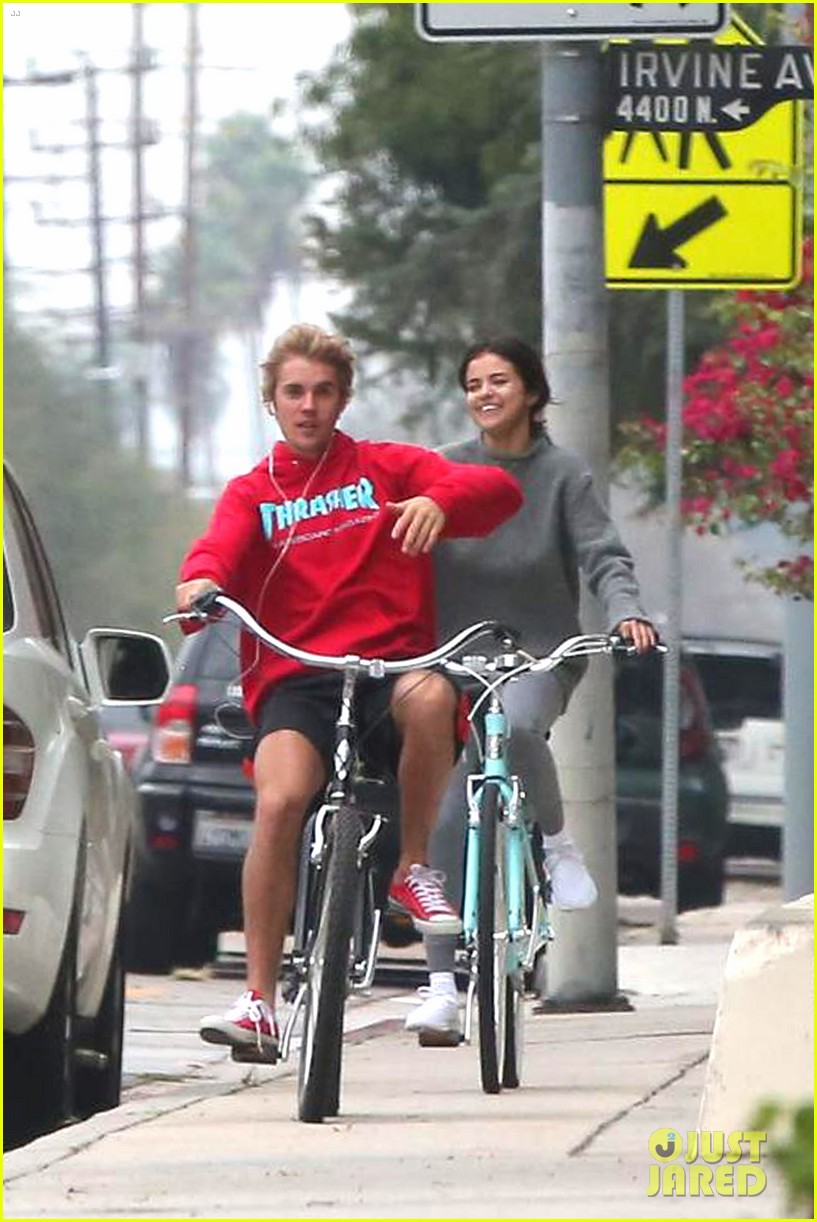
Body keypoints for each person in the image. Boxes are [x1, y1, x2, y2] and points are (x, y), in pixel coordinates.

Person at [174, 323, 523, 1060]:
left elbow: (498, 490)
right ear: (272, 402)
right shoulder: (251, 493)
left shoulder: (387, 468)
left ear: (342, 400)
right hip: (296, 676)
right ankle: (259, 1002)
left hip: (387, 671)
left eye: (323, 392)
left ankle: (412, 868)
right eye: (294, 392)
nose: (308, 406)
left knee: (432, 696)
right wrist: (200, 584)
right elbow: (216, 553)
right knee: (279, 801)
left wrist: (442, 501)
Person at [405, 336, 658, 1044]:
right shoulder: (442, 469)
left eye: (499, 381)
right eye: (473, 384)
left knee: (515, 727)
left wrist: (626, 611)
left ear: (532, 392)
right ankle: (440, 987)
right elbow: (397, 548)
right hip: (452, 659)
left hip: (539, 653)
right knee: (443, 808)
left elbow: (604, 557)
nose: (484, 394)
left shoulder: (562, 474)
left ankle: (555, 842)